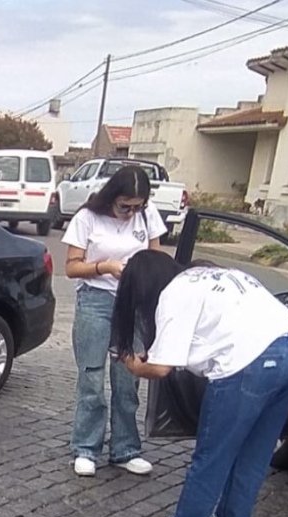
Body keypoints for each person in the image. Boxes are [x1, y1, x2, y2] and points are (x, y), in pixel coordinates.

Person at [110, 250, 288, 517]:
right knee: (255, 452)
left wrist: (133, 366)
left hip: (247, 365)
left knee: (213, 453)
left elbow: (161, 369)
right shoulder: (220, 275)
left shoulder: (173, 294)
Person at [62, 165, 167, 477]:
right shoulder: (87, 218)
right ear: (112, 198)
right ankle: (86, 448)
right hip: (96, 300)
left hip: (133, 303)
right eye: (125, 206)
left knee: (128, 377)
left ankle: (125, 449)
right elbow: (71, 267)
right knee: (92, 376)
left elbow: (155, 260)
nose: (131, 212)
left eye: (138, 207)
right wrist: (105, 267)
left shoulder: (148, 217)